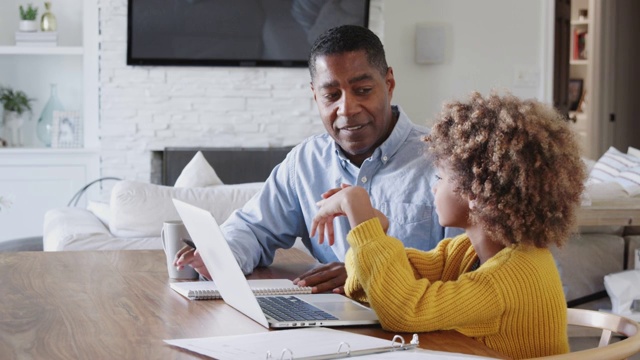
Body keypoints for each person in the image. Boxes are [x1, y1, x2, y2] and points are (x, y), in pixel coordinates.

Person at [175, 25, 457, 293]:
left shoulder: (445, 162)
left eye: (363, 90)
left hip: (417, 329)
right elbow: (253, 228)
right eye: (331, 95)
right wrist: (218, 257)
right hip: (328, 323)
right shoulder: (305, 162)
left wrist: (365, 271)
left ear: (389, 83)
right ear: (315, 96)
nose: (347, 109)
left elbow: (468, 267)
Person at [310, 92, 585, 359]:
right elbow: (373, 289)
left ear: (474, 193)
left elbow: (405, 310)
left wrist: (362, 217)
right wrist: (376, 230)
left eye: (440, 177)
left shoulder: (511, 277)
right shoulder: (468, 250)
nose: (434, 187)